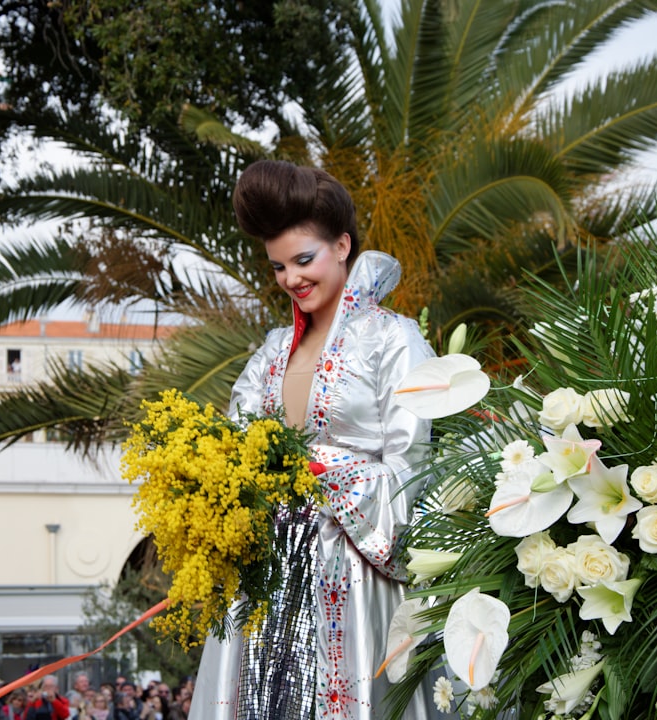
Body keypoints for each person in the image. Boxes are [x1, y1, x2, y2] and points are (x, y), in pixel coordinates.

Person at [189, 160, 438, 720]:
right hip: (266, 580)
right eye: (278, 267)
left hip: (353, 581)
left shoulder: (393, 339)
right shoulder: (273, 352)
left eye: (304, 260)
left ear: (343, 245)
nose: (291, 279)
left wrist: (320, 469)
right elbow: (234, 448)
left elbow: (413, 467)